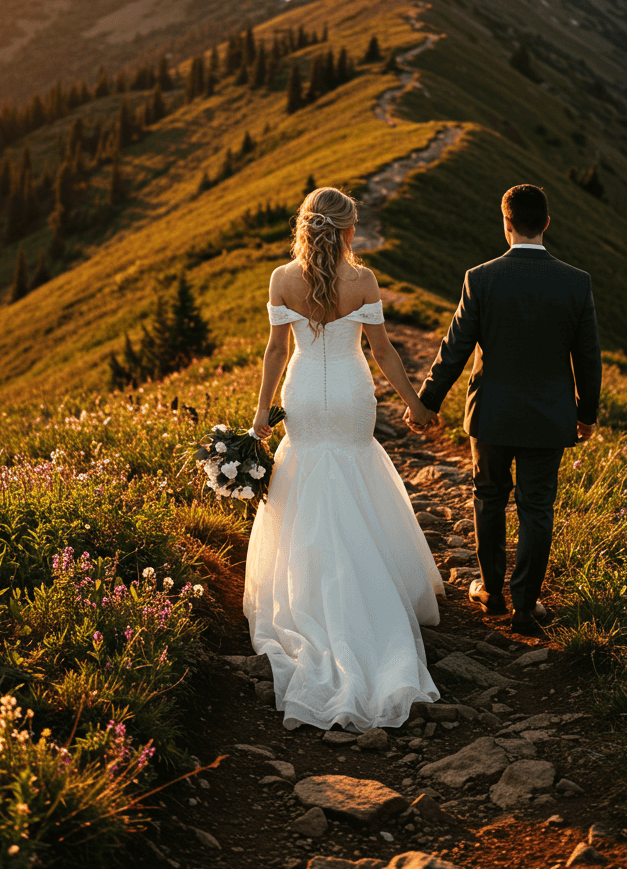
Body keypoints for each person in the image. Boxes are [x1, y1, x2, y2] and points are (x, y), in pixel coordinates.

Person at [243, 186, 442, 732]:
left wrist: (262, 413)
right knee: (355, 472)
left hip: (304, 393)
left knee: (305, 479)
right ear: (348, 230)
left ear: (305, 228)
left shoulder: (283, 279)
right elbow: (381, 351)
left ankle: (310, 589)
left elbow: (276, 351)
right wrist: (415, 405)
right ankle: (371, 593)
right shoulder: (363, 280)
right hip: (352, 394)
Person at [409, 184, 601, 637]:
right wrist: (586, 414)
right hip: (549, 418)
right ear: (547, 223)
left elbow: (454, 348)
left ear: (506, 223)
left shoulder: (481, 277)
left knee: (489, 496)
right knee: (537, 508)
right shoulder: (576, 282)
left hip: (491, 414)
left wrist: (426, 402)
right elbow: (588, 357)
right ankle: (525, 605)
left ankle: (492, 592)